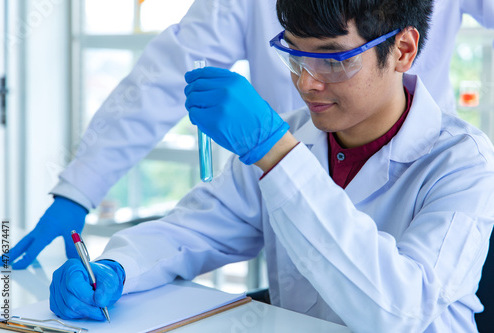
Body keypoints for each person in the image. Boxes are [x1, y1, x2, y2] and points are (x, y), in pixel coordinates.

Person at [49, 0, 494, 331]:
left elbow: (398, 310)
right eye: (294, 54)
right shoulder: (293, 133)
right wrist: (116, 268)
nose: (306, 81)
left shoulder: (461, 162)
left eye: (334, 59)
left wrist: (278, 156)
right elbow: (194, 231)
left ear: (402, 50)